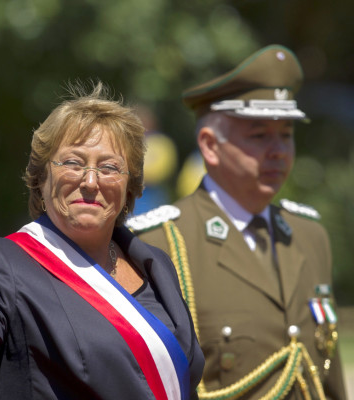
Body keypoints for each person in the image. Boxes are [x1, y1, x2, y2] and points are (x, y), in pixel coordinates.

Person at [0, 82, 204, 400]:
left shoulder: (154, 262)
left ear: (130, 185)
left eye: (109, 168)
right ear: (40, 177)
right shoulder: (3, 266)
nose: (90, 182)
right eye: (73, 163)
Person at [127, 44, 347, 399]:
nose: (279, 150)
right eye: (259, 136)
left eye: (286, 135)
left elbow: (328, 374)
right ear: (210, 146)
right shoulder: (161, 243)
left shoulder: (309, 235)